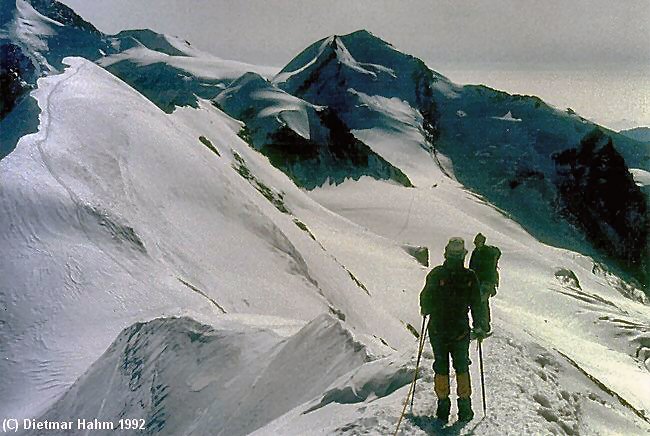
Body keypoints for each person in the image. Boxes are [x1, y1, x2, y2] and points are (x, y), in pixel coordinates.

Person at [420, 237, 488, 422]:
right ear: (463, 256)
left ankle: (443, 407)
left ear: (446, 254)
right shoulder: (470, 277)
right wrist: (480, 325)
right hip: (460, 331)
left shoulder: (436, 274)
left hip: (438, 330)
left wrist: (428, 308)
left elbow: (425, 300)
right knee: (461, 366)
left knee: (441, 366)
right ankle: (464, 407)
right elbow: (477, 304)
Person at [469, 233, 501, 332]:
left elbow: (488, 270)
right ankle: (479, 325)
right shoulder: (476, 252)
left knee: (481, 303)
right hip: (479, 282)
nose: (476, 244)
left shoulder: (486, 253)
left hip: (485, 282)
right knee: (478, 303)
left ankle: (484, 325)